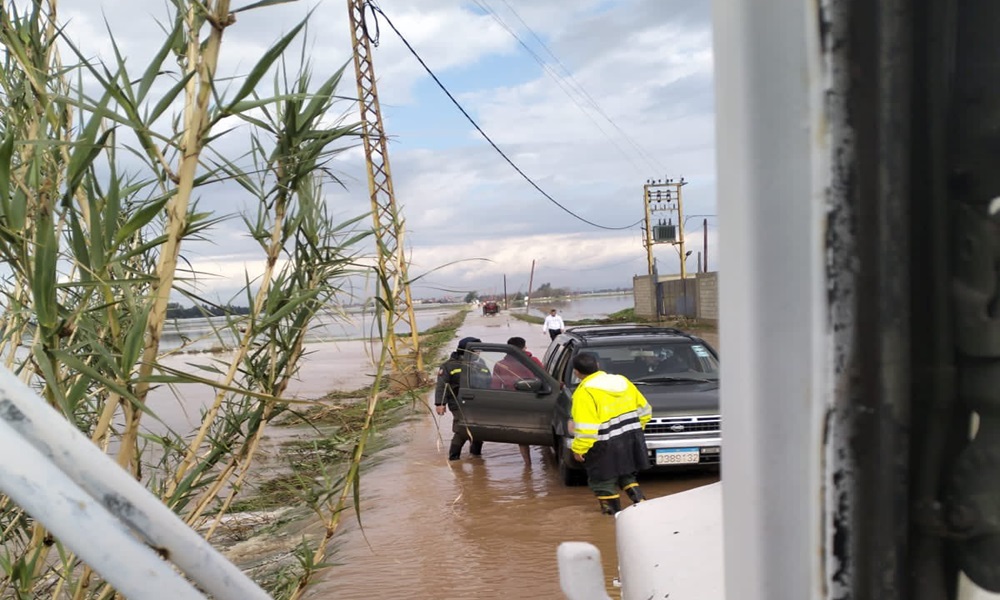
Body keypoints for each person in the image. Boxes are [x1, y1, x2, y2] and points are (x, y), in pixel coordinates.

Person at [570, 352, 652, 514]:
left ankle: (611, 518)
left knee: (602, 481)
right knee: (626, 474)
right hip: (629, 438)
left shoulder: (584, 392)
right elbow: (645, 411)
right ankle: (642, 507)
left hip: (603, 443)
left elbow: (586, 427)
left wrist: (579, 449)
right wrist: (634, 430)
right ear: (598, 366)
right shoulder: (622, 381)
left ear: (576, 372)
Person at [434, 336, 492, 460]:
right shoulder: (449, 366)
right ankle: (454, 459)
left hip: (478, 403)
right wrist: (440, 404)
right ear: (466, 350)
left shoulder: (480, 363)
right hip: (458, 403)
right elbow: (441, 385)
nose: (478, 353)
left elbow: (489, 381)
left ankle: (476, 458)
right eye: (475, 350)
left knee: (479, 429)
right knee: (462, 430)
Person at [490, 336, 544, 465]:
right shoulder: (534, 361)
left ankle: (527, 464)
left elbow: (495, 388)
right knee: (542, 430)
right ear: (524, 347)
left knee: (521, 435)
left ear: (508, 349)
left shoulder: (501, 365)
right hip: (537, 400)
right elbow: (545, 379)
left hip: (514, 403)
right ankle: (544, 459)